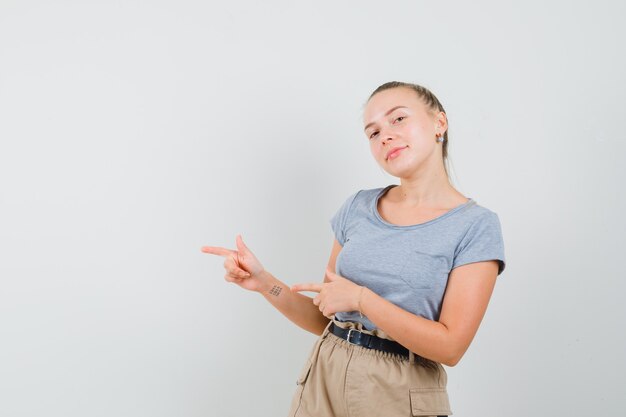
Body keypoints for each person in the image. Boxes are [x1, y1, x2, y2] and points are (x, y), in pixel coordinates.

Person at [201, 81, 506, 417]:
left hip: (399, 391)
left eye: (398, 119)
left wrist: (363, 299)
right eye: (372, 133)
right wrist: (263, 282)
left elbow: (451, 347)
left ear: (439, 123)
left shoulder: (475, 226)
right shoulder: (358, 207)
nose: (385, 136)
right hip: (325, 375)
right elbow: (325, 317)